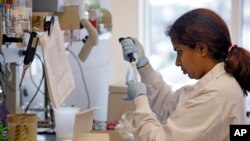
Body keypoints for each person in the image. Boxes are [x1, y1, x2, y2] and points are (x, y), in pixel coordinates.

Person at [119, 8, 250, 141]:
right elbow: (168, 106)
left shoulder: (216, 95)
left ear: (202, 49)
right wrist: (143, 65)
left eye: (180, 52)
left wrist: (140, 100)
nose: (177, 62)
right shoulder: (216, 83)